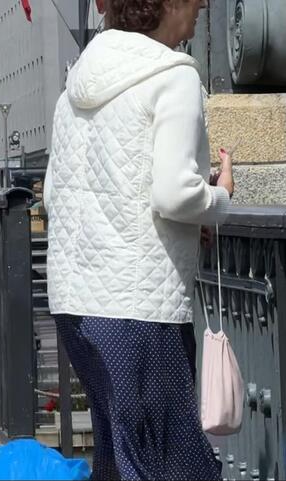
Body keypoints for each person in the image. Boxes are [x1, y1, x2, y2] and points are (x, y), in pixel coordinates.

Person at [44, 0, 231, 479]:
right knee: (175, 462)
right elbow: (173, 193)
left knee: (122, 457)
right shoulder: (174, 76)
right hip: (141, 306)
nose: (204, 4)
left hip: (74, 302)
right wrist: (217, 198)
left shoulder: (75, 86)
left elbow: (51, 195)